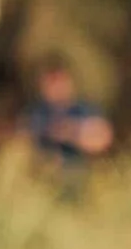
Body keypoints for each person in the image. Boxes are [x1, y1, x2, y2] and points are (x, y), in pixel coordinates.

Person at [20, 58, 113, 186]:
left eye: (60, 82)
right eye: (51, 84)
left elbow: (101, 139)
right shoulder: (38, 112)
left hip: (79, 173)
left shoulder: (84, 110)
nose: (56, 89)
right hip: (44, 176)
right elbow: (26, 137)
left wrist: (70, 132)